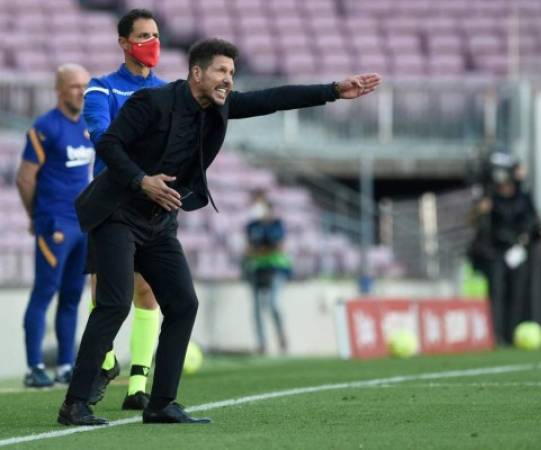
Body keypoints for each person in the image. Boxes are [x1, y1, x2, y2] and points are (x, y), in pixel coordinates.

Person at [57, 38, 382, 426]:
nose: (228, 79)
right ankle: (75, 404)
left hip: (158, 222)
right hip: (116, 212)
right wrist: (142, 181)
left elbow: (272, 99)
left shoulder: (220, 107)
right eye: (220, 71)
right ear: (197, 73)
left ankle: (161, 404)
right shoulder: (152, 102)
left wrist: (331, 91)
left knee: (183, 303)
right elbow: (108, 143)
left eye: (231, 72)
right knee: (114, 303)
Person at [82, 9, 166, 410]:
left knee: (146, 289)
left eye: (155, 34)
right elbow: (101, 135)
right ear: (123, 43)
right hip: (112, 200)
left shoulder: (169, 91)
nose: (151, 42)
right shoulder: (101, 89)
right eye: (143, 36)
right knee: (105, 294)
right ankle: (106, 359)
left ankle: (138, 385)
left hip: (151, 205)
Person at [16, 64, 93, 387]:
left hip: (83, 223)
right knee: (45, 291)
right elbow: (25, 178)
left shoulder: (89, 125)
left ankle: (65, 365)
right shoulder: (45, 127)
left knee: (73, 295)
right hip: (55, 222)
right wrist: (37, 216)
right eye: (75, 86)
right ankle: (34, 367)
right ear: (60, 91)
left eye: (85, 86)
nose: (81, 92)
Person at [468, 152, 541, 344]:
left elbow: (537, 223)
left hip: (518, 251)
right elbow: (473, 223)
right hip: (495, 252)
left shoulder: (523, 198)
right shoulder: (489, 198)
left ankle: (512, 334)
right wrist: (479, 210)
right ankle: (496, 335)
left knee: (516, 293)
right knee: (496, 293)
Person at [244, 192, 291, 354]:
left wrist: (260, 249)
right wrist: (264, 248)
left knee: (273, 304)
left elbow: (279, 246)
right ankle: (262, 344)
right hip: (257, 269)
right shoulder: (251, 226)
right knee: (256, 308)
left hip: (276, 269)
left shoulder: (277, 224)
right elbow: (248, 250)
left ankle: (282, 339)